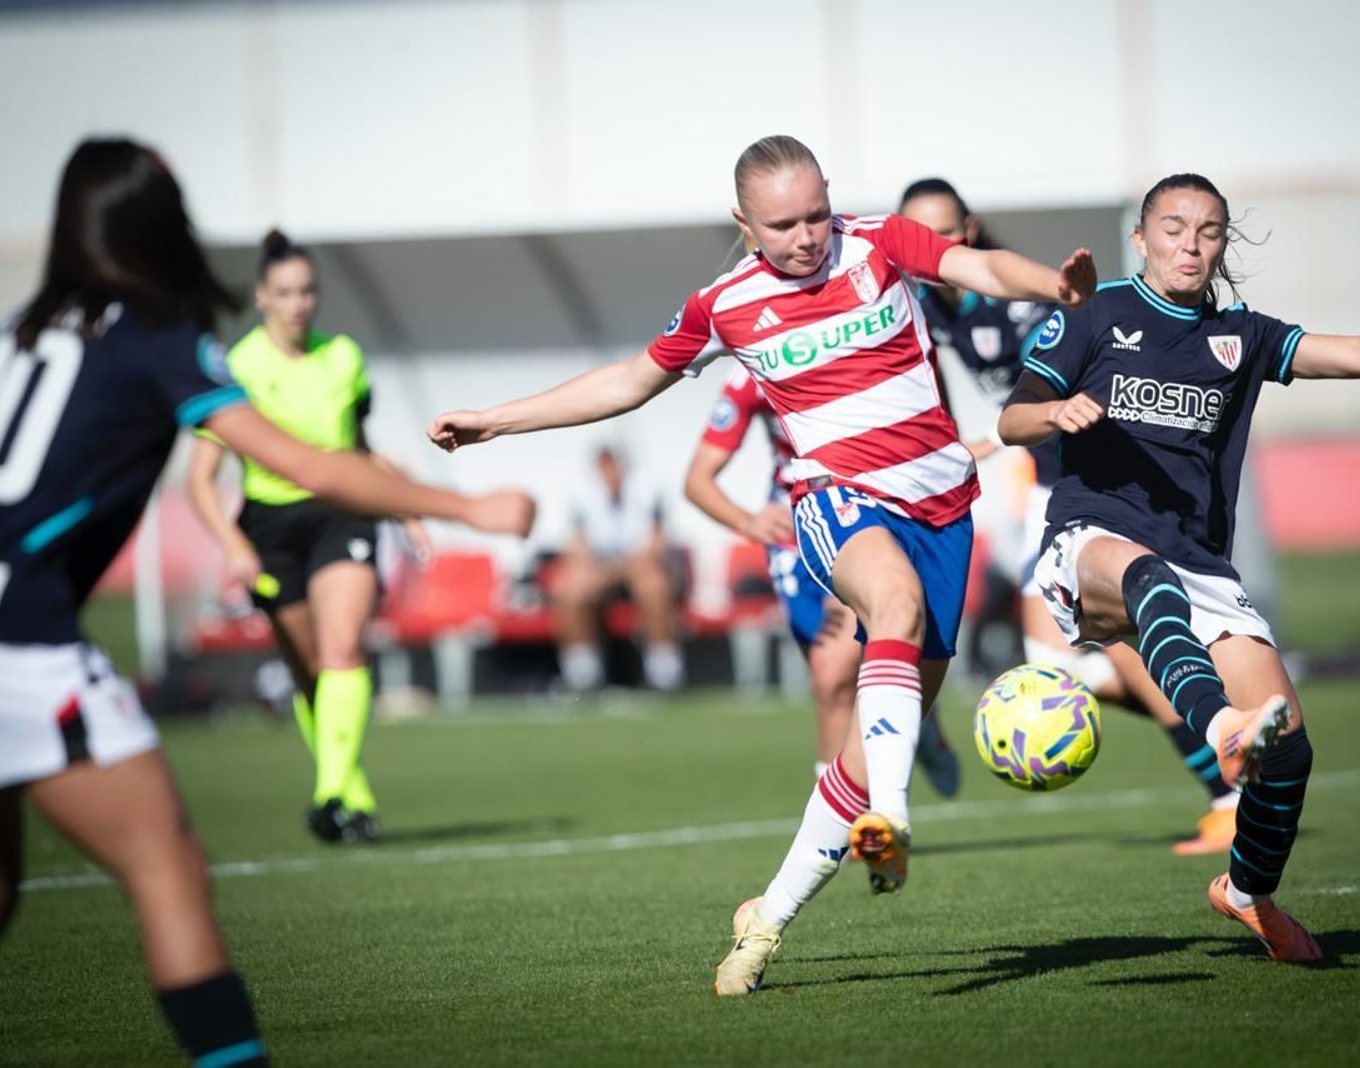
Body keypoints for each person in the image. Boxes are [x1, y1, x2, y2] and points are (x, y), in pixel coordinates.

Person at [426, 134, 1096, 995]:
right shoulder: (725, 304)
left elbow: (981, 269)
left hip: (942, 506)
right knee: (890, 607)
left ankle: (766, 921)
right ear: (744, 225)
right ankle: (895, 817)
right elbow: (628, 380)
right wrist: (497, 421)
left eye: (817, 212)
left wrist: (1053, 285)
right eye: (783, 224)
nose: (808, 235)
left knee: (859, 757)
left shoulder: (881, 241)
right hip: (834, 499)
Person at [0, 139, 534, 1065]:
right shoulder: (161, 340)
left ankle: (338, 785)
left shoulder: (8, 339)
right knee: (170, 871)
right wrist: (466, 505)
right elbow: (309, 463)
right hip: (18, 647)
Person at [999, 172, 1360, 962]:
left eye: (1208, 231)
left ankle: (1247, 890)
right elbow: (1013, 415)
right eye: (1173, 228)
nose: (1190, 245)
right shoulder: (1097, 313)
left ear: (1224, 242)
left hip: (1200, 561)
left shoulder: (1242, 332)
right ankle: (1222, 728)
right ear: (1142, 236)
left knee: (1290, 752)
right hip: (1091, 539)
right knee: (1147, 584)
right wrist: (1054, 412)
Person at [899, 178, 1240, 853]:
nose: (929, 247)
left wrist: (1000, 438)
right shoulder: (930, 304)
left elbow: (1079, 379)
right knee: (1073, 666)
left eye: (942, 231)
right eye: (916, 235)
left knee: (1100, 655)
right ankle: (1215, 727)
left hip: (1082, 491)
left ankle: (1227, 781)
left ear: (967, 231)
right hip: (1045, 485)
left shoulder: (1015, 308)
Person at [187, 229, 430, 844]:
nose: (299, 303)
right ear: (262, 298)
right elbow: (200, 480)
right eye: (286, 292)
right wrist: (234, 546)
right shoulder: (235, 365)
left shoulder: (343, 356)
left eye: (308, 291)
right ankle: (351, 791)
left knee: (344, 647)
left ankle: (326, 793)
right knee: (313, 674)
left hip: (342, 513)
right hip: (270, 527)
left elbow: (360, 451)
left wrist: (409, 509)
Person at [684, 364, 959, 792]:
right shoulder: (750, 373)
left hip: (864, 517)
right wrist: (746, 521)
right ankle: (911, 718)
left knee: (835, 669)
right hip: (793, 537)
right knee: (830, 683)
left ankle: (843, 820)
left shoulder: (868, 342)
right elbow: (698, 479)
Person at [550, 445, 686, 692]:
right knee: (570, 590)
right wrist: (597, 570)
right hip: (601, 571)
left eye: (613, 466)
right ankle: (581, 674)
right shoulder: (582, 496)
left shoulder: (648, 490)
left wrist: (620, 568)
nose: (609, 473)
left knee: (653, 584)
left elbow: (656, 545)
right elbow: (576, 546)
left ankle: (664, 670)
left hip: (638, 568)